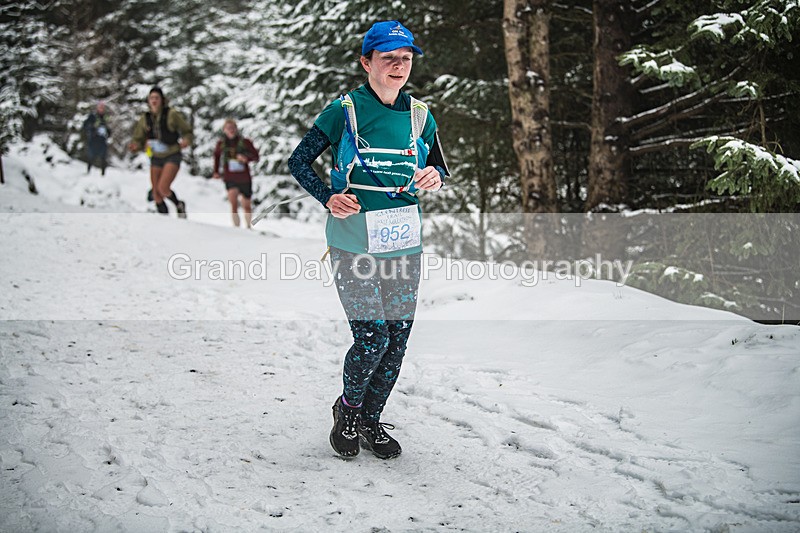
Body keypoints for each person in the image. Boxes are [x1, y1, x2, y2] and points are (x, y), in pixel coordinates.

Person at [288, 20, 449, 459]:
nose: (399, 66)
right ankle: (349, 410)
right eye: (388, 58)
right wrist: (329, 196)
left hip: (403, 246)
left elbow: (437, 164)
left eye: (406, 58)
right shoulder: (345, 110)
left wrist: (435, 175)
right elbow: (299, 161)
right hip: (353, 244)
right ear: (367, 62)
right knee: (373, 337)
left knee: (397, 338)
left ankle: (372, 422)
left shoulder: (420, 114)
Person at [128, 86, 192, 217]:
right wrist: (136, 145)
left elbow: (187, 130)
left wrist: (186, 140)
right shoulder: (145, 118)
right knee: (156, 194)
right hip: (155, 156)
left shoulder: (171, 114)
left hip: (172, 154)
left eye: (156, 98)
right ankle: (163, 221)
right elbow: (138, 138)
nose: (154, 101)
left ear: (162, 100)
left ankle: (179, 205)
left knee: (163, 188)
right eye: (151, 98)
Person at [213, 119, 260, 228]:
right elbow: (216, 157)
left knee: (246, 206)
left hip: (244, 178)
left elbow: (256, 156)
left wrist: (245, 158)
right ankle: (236, 229)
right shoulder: (221, 144)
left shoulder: (245, 142)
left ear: (236, 129)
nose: (231, 130)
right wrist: (215, 171)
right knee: (233, 204)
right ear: (224, 130)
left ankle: (248, 227)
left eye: (233, 128)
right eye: (228, 128)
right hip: (230, 177)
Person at [83, 101, 111, 175]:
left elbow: (108, 129)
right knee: (91, 156)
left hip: (102, 140)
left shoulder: (106, 117)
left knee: (103, 157)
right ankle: (88, 172)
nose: (101, 109)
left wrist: (108, 133)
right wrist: (93, 127)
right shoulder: (92, 116)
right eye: (100, 107)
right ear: (97, 108)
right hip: (93, 140)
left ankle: (103, 175)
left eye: (103, 107)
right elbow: (85, 126)